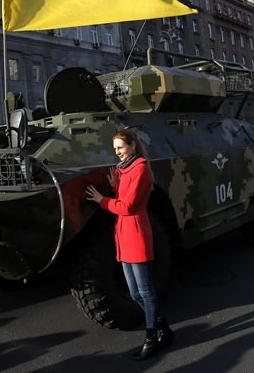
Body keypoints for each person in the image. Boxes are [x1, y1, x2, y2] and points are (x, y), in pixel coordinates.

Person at [85, 128, 173, 361]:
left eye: (121, 148)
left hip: (136, 234)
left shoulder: (140, 168)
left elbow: (128, 207)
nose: (118, 153)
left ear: (132, 145)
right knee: (135, 293)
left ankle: (152, 337)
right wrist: (115, 186)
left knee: (146, 291)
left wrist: (102, 200)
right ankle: (164, 328)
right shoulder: (125, 170)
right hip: (124, 236)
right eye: (115, 149)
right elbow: (125, 197)